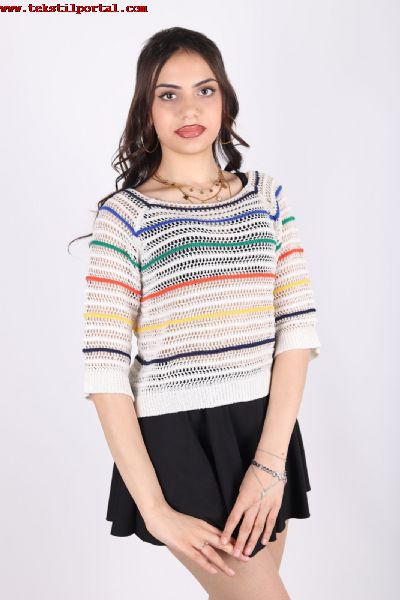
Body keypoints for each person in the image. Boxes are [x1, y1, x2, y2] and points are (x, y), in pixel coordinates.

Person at [78, 26, 321, 600]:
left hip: (264, 427)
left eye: (204, 90)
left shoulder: (266, 196)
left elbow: (296, 329)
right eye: (168, 94)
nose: (189, 109)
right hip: (178, 437)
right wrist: (155, 510)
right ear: (146, 109)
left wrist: (270, 461)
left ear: (225, 100)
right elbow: (105, 369)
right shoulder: (124, 217)